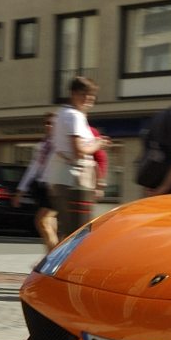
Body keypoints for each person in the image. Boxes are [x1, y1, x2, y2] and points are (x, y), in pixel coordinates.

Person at [46, 76, 108, 240]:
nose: (87, 98)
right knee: (78, 233)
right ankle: (71, 265)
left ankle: (60, 265)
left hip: (60, 178)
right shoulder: (75, 116)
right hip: (75, 180)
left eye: (91, 95)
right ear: (72, 94)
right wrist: (97, 143)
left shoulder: (61, 113)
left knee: (65, 231)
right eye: (83, 94)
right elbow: (79, 150)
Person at [13, 112, 58, 251]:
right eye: (46, 123)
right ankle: (50, 259)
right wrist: (20, 192)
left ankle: (55, 258)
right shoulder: (42, 146)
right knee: (49, 225)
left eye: (52, 123)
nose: (48, 125)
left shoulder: (62, 144)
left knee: (41, 221)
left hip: (56, 188)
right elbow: (33, 169)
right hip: (42, 188)